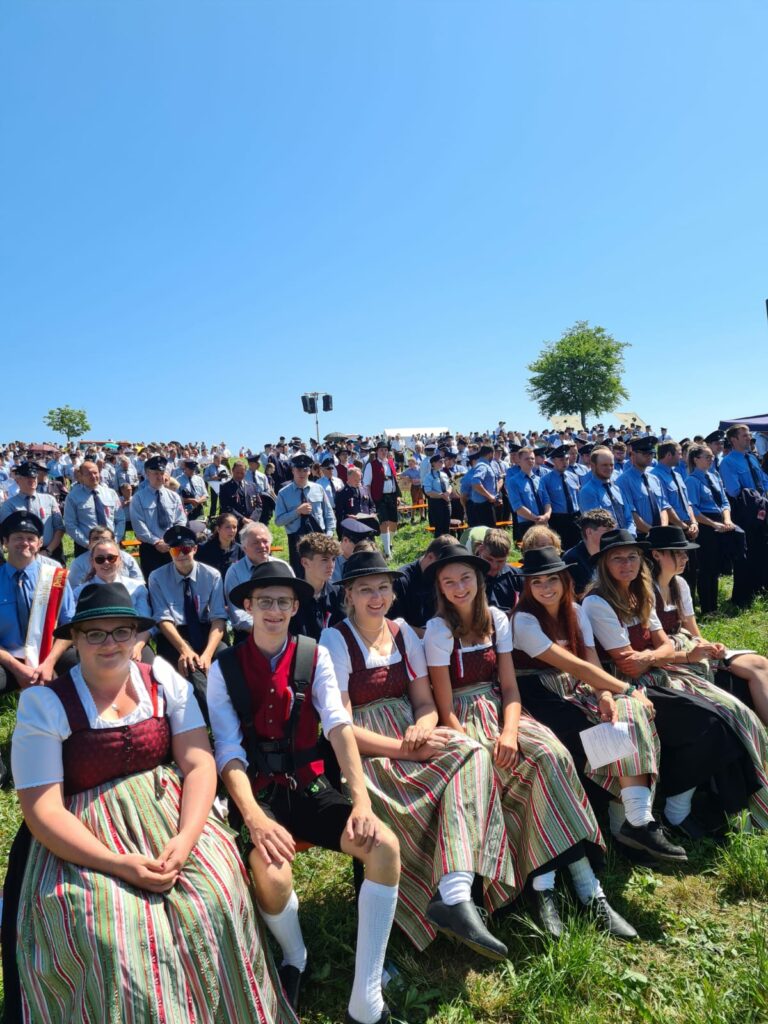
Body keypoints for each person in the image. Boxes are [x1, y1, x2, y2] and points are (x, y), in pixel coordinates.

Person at [4, 582, 297, 1024]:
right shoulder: (44, 704)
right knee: (112, 932)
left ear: (138, 637)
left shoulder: (160, 678)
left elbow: (198, 763)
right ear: (77, 639)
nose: (110, 643)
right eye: (95, 634)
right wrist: (119, 864)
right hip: (81, 835)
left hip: (171, 816)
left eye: (122, 632)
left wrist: (184, 840)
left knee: (214, 895)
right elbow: (43, 811)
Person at [207, 561, 400, 1023]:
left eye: (283, 602)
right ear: (249, 606)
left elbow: (337, 725)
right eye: (265, 601)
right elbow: (228, 750)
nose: (274, 611)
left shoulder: (315, 656)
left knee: (384, 848)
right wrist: (252, 816)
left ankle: (366, 996)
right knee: (271, 876)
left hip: (312, 785)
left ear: (296, 607)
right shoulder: (225, 667)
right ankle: (296, 956)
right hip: (260, 795)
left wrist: (361, 799)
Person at [321, 549, 515, 958]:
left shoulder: (403, 632)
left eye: (384, 588)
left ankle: (455, 894)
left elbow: (425, 704)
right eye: (365, 590)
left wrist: (424, 728)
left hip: (410, 738)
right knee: (456, 763)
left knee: (471, 751)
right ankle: (445, 899)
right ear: (349, 596)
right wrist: (405, 750)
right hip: (368, 752)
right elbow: (343, 727)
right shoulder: (334, 640)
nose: (376, 597)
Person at [423, 545, 620, 939]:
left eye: (466, 579)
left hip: (502, 710)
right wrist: (474, 742)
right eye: (449, 582)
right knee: (510, 771)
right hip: (463, 718)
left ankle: (576, 884)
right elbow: (445, 708)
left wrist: (510, 731)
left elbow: (510, 689)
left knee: (553, 754)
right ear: (441, 590)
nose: (459, 588)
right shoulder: (439, 630)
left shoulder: (497, 619)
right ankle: (557, 886)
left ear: (480, 580)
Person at [509, 546, 685, 867]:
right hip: (540, 695)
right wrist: (628, 688)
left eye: (553, 580)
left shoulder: (575, 612)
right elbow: (573, 666)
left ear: (565, 581)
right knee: (610, 737)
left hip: (578, 688)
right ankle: (625, 829)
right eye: (537, 582)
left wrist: (606, 695)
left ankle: (636, 821)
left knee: (626, 717)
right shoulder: (524, 620)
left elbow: (591, 664)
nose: (546, 588)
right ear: (528, 587)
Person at [582, 529, 764, 838]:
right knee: (711, 720)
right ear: (604, 563)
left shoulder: (642, 592)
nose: (626, 564)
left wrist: (652, 654)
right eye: (617, 558)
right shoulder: (597, 602)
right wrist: (658, 654)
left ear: (642, 560)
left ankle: (704, 806)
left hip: (657, 671)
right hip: (622, 682)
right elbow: (626, 660)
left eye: (632, 557)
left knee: (730, 713)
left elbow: (663, 646)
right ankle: (671, 812)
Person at [648, 525, 768, 729]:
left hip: (688, 645)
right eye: (678, 553)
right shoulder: (647, 591)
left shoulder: (680, 584)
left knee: (759, 663)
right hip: (668, 655)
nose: (685, 558)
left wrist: (712, 646)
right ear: (656, 554)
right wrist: (690, 653)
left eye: (685, 553)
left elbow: (693, 631)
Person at [148, 525, 228, 723]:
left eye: (185, 549)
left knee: (226, 658)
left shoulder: (212, 575)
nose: (181, 555)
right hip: (175, 634)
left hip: (206, 631)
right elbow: (163, 618)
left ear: (195, 549)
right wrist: (185, 650)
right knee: (190, 666)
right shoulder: (157, 577)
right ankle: (216, 718)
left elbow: (218, 617)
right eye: (175, 550)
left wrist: (208, 654)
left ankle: (232, 708)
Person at [0, 511, 77, 694]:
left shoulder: (55, 577)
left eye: (30, 538)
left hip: (51, 654)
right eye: (18, 537)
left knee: (86, 668)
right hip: (8, 659)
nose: (25, 543)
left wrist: (49, 662)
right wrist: (17, 668)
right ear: (5, 542)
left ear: (40, 543)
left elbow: (71, 626)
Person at [685, 444, 746, 613]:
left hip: (721, 522)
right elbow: (693, 509)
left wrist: (726, 520)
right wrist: (713, 524)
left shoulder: (714, 476)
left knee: (717, 567)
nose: (711, 459)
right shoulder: (691, 480)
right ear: (696, 459)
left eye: (712, 456)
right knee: (707, 567)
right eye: (707, 457)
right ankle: (707, 608)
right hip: (706, 526)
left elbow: (724, 501)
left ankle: (714, 605)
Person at [74, 536, 154, 663]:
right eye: (100, 559)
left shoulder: (137, 588)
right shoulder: (79, 593)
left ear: (120, 560)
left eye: (111, 558)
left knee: (149, 665)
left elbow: (147, 624)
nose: (106, 562)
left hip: (131, 641)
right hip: (94, 644)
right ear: (92, 562)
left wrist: (137, 647)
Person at [719, 423, 768, 603]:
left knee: (762, 550)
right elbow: (734, 490)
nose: (749, 438)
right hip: (744, 511)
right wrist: (757, 500)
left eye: (749, 435)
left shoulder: (752, 458)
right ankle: (743, 597)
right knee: (746, 553)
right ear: (734, 439)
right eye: (745, 435)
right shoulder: (728, 462)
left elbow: (763, 480)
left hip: (762, 508)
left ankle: (760, 588)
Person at [275, 453, 337, 573]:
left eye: (305, 470)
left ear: (309, 471)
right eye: (298, 469)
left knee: (321, 573)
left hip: (319, 537)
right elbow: (278, 521)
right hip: (296, 540)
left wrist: (328, 535)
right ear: (293, 470)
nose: (302, 473)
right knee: (300, 575)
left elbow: (329, 515)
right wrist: (297, 511)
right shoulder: (283, 493)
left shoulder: (318, 489)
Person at [129, 454, 187, 578]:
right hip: (150, 548)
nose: (159, 476)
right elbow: (139, 525)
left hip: (172, 547)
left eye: (162, 473)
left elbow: (180, 520)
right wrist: (156, 542)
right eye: (155, 473)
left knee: (175, 583)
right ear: (147, 474)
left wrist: (172, 539)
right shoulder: (138, 498)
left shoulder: (174, 497)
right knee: (153, 585)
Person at [0, 461, 65, 565]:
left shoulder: (50, 499)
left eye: (34, 477)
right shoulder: (8, 505)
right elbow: (8, 534)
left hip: (52, 552)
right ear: (18, 480)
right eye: (27, 477)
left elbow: (59, 528)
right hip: (23, 554)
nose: (32, 480)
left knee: (57, 580)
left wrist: (48, 551)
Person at [388, 535, 456, 634]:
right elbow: (393, 626)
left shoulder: (446, 579)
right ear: (430, 557)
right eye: (441, 566)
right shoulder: (401, 581)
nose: (446, 572)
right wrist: (430, 636)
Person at [224, 521, 279, 641]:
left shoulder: (282, 567)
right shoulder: (234, 572)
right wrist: (265, 631)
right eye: (256, 543)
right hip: (249, 634)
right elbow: (237, 614)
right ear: (244, 548)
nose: (262, 546)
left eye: (265, 541)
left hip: (281, 629)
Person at [63, 460, 125, 556]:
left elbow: (120, 519)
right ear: (81, 476)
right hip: (86, 548)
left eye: (95, 473)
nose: (93, 476)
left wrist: (115, 540)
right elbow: (70, 524)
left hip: (111, 546)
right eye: (88, 474)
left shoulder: (111, 493)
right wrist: (88, 544)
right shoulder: (72, 497)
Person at [291, 533, 344, 640]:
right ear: (305, 562)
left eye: (333, 559)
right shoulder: (292, 596)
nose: (331, 565)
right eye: (324, 560)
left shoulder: (339, 593)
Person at [615, 437, 669, 539]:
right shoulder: (623, 481)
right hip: (641, 536)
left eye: (651, 454)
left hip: (660, 534)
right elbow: (631, 514)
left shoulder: (654, 479)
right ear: (633, 455)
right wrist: (654, 532)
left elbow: (663, 507)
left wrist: (663, 530)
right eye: (644, 454)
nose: (649, 457)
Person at [68, 525, 145, 589]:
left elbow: (139, 584)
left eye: (105, 539)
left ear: (114, 541)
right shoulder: (78, 563)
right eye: (95, 539)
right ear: (89, 542)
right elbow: (74, 589)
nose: (100, 542)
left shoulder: (127, 558)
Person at [578, 448, 634, 534]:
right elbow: (596, 525)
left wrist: (630, 536)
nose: (609, 468)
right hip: (606, 543)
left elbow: (629, 518)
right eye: (604, 465)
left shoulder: (617, 489)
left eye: (611, 465)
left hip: (626, 540)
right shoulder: (587, 491)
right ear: (593, 466)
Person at [563, 508, 616, 596]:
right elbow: (579, 596)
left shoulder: (609, 553)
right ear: (589, 532)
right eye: (607, 532)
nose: (611, 536)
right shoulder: (572, 560)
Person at [538, 444, 581, 549]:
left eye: (566, 459)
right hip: (559, 519)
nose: (565, 462)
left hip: (576, 517)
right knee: (563, 549)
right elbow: (545, 501)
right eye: (561, 459)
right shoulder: (545, 480)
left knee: (579, 547)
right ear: (553, 461)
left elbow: (578, 497)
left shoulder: (574, 477)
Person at [362, 442, 400, 560]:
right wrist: (371, 500)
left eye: (385, 450)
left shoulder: (391, 463)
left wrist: (398, 496)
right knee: (384, 523)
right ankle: (387, 553)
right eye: (381, 450)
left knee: (394, 523)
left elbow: (395, 480)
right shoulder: (371, 465)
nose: (383, 452)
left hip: (392, 496)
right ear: (377, 451)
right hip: (379, 497)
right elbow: (366, 484)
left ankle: (389, 544)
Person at [506, 447, 550, 542]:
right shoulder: (513, 481)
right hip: (527, 524)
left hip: (544, 522)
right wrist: (536, 519)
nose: (530, 461)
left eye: (532, 458)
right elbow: (518, 507)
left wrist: (546, 515)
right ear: (519, 461)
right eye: (527, 459)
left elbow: (546, 500)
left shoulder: (539, 480)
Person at [474, 527, 522, 614]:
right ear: (481, 549)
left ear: (508, 556)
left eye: (500, 561)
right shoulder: (470, 575)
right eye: (489, 559)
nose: (494, 566)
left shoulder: (516, 576)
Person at [197, 511, 243, 576]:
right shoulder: (204, 549)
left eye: (234, 527)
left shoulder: (240, 550)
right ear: (218, 529)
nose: (232, 530)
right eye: (228, 527)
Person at [332, 517, 378, 583]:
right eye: (358, 546)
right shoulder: (329, 558)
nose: (362, 550)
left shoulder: (367, 558)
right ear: (345, 540)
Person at [219, 459, 263, 527]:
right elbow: (226, 507)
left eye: (242, 473)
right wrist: (242, 519)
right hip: (234, 525)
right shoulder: (225, 487)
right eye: (237, 472)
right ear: (232, 471)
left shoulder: (252, 486)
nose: (239, 475)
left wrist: (253, 519)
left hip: (251, 524)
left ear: (245, 472)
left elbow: (257, 504)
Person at [466, 445, 500, 528]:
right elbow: (476, 482)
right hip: (484, 506)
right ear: (490, 454)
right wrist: (490, 496)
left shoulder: (482, 464)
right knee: (489, 533)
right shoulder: (483, 466)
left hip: (484, 504)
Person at [423, 452, 453, 538]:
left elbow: (450, 485)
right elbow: (428, 492)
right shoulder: (428, 476)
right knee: (439, 527)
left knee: (446, 525)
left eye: (442, 461)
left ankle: (447, 545)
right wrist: (442, 496)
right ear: (433, 463)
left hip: (446, 502)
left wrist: (448, 492)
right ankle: (438, 547)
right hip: (436, 503)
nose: (442, 463)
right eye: (440, 461)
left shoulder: (444, 474)